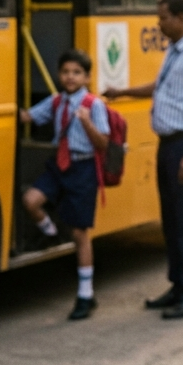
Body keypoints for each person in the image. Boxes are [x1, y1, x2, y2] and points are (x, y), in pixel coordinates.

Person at [102, 0, 183, 319]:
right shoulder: (176, 49)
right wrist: (123, 92)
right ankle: (177, 285)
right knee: (171, 219)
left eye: (164, 17)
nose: (159, 23)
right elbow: (162, 85)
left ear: (181, 18)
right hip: (170, 144)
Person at [19, 49, 112, 321]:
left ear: (86, 77)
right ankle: (49, 232)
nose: (70, 77)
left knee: (80, 233)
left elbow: (103, 143)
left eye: (77, 73)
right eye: (66, 72)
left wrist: (86, 123)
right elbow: (29, 117)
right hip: (58, 166)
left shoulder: (93, 105)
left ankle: (85, 294)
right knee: (31, 201)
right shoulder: (56, 101)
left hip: (82, 167)